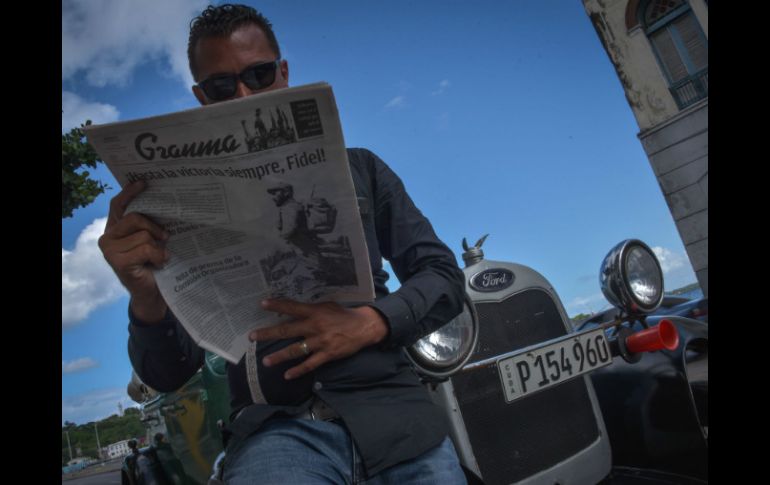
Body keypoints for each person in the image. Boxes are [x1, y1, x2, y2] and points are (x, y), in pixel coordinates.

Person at [98, 4, 467, 484]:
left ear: (284, 73)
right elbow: (168, 374)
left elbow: (443, 276)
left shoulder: (363, 168)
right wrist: (144, 294)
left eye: (260, 75)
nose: (244, 95)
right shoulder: (173, 208)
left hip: (394, 415)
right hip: (276, 433)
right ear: (201, 98)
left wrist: (373, 322)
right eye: (222, 87)